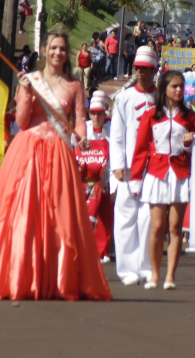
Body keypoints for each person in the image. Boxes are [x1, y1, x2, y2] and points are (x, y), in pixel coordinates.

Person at [0, 28, 111, 301]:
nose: (57, 52)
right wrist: (24, 92)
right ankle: (21, 277)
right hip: (27, 152)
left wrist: (83, 139)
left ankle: (57, 278)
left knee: (59, 217)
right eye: (53, 47)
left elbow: (80, 119)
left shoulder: (74, 85)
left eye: (62, 48)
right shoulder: (32, 80)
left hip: (60, 152)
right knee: (24, 214)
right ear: (45, 50)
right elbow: (23, 122)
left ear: (67, 53)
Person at [130, 70, 195, 290]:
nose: (179, 90)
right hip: (157, 173)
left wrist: (191, 142)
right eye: (174, 86)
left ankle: (170, 276)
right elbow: (141, 149)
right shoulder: (150, 115)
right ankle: (154, 274)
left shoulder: (191, 117)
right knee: (157, 227)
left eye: (181, 86)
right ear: (165, 89)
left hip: (180, 174)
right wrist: (135, 177)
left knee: (175, 227)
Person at [110, 46, 159, 286]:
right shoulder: (124, 97)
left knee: (149, 218)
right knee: (125, 217)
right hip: (129, 168)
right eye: (138, 68)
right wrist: (117, 164)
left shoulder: (162, 98)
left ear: (154, 70)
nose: (141, 72)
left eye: (146, 69)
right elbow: (117, 134)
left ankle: (147, 266)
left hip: (155, 167)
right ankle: (127, 269)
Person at [77, 92, 114, 263]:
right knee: (86, 215)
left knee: (105, 216)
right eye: (93, 113)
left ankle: (103, 250)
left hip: (105, 180)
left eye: (99, 113)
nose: (96, 116)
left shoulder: (112, 130)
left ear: (105, 112)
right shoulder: (82, 129)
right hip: (85, 181)